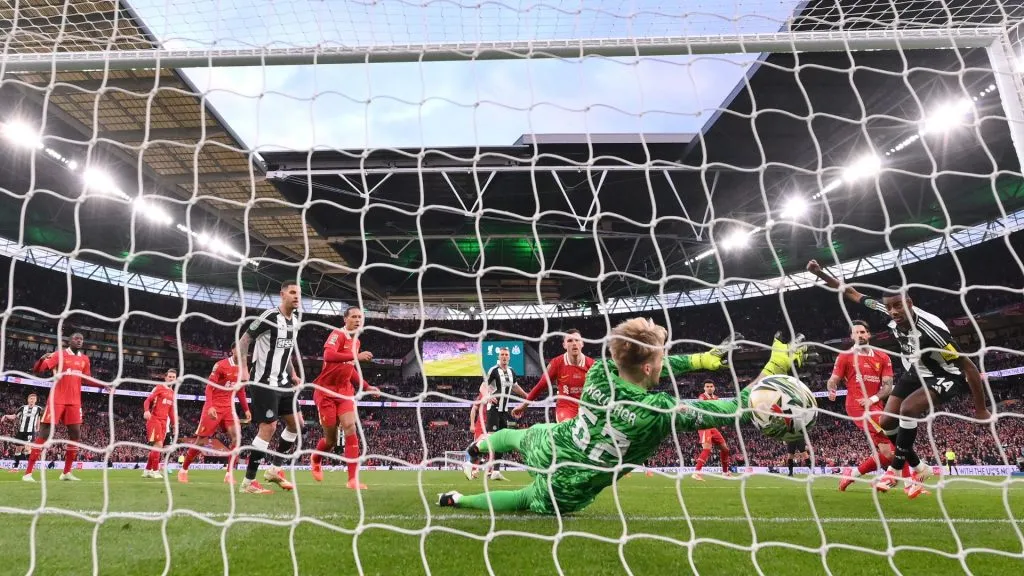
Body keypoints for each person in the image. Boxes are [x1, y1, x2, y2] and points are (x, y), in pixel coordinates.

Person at [437, 319, 809, 515]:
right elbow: (733, 408)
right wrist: (773, 367)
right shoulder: (660, 412)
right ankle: (458, 500)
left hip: (555, 442)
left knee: (518, 436)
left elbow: (638, 361)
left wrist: (698, 360)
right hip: (572, 482)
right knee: (522, 499)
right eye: (660, 358)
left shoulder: (599, 371)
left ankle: (476, 448)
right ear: (650, 367)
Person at [806, 260, 990, 498]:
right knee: (887, 422)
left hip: (944, 374)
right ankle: (918, 467)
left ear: (908, 303)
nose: (893, 312)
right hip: (916, 371)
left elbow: (969, 367)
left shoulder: (932, 331)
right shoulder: (886, 310)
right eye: (890, 308)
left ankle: (894, 470)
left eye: (898, 307)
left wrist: (981, 409)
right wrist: (821, 273)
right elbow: (851, 292)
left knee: (908, 409)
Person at [237, 280, 304, 495]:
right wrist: (245, 369)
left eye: (298, 293)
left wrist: (293, 373)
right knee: (269, 427)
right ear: (282, 294)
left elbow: (287, 350)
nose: (296, 296)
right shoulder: (269, 317)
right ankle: (248, 482)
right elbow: (244, 340)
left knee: (297, 425)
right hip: (264, 381)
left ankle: (274, 470)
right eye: (292, 292)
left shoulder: (294, 321)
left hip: (283, 381)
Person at [828, 321, 910, 492]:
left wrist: (872, 399)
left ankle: (853, 474)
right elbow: (834, 379)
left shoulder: (883, 357)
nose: (859, 335)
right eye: (856, 332)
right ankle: (910, 484)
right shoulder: (845, 356)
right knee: (899, 439)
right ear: (851, 336)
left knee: (888, 453)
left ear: (868, 334)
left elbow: (887, 387)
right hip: (857, 407)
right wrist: (832, 387)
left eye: (863, 332)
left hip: (876, 406)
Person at [310, 306, 379, 489]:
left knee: (350, 427)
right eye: (354, 317)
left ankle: (352, 480)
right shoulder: (337, 334)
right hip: (326, 392)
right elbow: (328, 355)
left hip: (344, 392)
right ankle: (316, 458)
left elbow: (350, 369)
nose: (358, 320)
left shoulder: (356, 341)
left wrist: (366, 386)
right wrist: (356, 356)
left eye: (360, 317)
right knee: (331, 440)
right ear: (345, 319)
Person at [23, 332, 97, 482]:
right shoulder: (59, 355)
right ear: (69, 341)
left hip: (75, 402)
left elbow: (88, 380)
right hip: (56, 400)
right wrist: (40, 360)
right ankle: (28, 473)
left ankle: (66, 473)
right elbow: (38, 370)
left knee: (75, 435)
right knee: (44, 434)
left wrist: (105, 385)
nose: (79, 341)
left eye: (81, 339)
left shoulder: (84, 359)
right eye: (76, 338)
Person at [178, 346, 251, 484]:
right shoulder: (221, 365)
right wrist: (210, 405)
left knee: (237, 438)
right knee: (201, 441)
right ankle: (184, 470)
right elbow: (209, 387)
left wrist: (246, 409)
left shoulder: (242, 369)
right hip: (214, 407)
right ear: (232, 351)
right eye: (238, 349)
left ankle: (229, 474)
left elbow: (241, 391)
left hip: (229, 408)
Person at [512, 330, 594, 423]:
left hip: (587, 408)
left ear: (582, 343)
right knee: (568, 430)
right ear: (564, 345)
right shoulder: (556, 363)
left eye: (577, 340)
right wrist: (523, 406)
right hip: (566, 408)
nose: (574, 343)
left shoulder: (592, 365)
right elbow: (540, 386)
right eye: (570, 341)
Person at [479, 347, 530, 481]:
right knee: (490, 439)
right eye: (502, 354)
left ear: (509, 357)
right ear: (499, 356)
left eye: (506, 355)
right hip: (494, 409)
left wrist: (526, 395)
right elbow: (483, 386)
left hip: (504, 410)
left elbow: (514, 386)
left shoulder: (512, 371)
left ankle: (496, 471)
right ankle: (471, 459)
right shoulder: (493, 370)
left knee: (501, 441)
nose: (504, 357)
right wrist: (488, 396)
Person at [691, 380, 732, 481]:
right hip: (704, 426)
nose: (709, 388)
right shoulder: (702, 397)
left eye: (711, 386)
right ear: (704, 388)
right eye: (707, 386)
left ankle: (725, 472)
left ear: (714, 388)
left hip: (713, 427)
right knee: (707, 448)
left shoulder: (716, 398)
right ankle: (696, 473)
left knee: (725, 449)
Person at [142, 369, 179, 479]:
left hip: (164, 422)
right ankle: (155, 470)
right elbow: (147, 400)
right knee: (158, 445)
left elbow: (171, 411)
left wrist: (174, 424)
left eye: (173, 377)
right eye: (170, 376)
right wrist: (146, 410)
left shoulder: (172, 393)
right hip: (154, 419)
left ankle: (147, 470)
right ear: (165, 377)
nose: (171, 378)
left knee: (157, 446)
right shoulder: (159, 388)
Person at [2, 393, 43, 471]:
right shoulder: (22, 408)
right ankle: (16, 467)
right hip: (21, 431)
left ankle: (30, 467)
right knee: (18, 450)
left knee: (27, 449)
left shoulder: (38, 409)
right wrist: (6, 416)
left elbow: (38, 419)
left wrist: (38, 428)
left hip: (30, 432)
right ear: (28, 400)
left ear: (36, 400)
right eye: (31, 399)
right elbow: (14, 416)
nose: (32, 400)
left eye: (34, 399)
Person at [461, 389, 488, 480]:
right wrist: (472, 424)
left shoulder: (497, 393)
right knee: (478, 447)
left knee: (485, 449)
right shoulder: (483, 394)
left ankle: (475, 469)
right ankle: (472, 468)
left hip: (490, 425)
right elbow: (474, 409)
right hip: (481, 425)